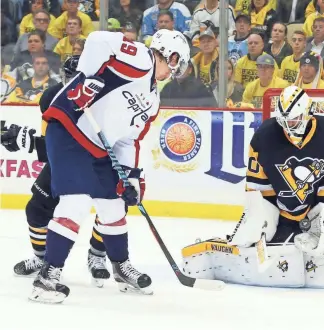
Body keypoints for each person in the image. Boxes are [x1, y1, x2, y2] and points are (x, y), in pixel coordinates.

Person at [29, 29, 191, 304]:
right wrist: (86, 80)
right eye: (177, 65)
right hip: (69, 127)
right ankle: (47, 278)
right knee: (76, 202)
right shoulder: (141, 58)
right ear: (172, 56)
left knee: (114, 205)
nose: (173, 73)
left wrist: (129, 178)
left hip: (98, 144)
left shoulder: (153, 102)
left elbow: (128, 141)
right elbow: (96, 40)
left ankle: (121, 268)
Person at [1, 56, 111, 285]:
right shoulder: (51, 97)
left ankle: (97, 256)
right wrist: (26, 139)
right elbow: (49, 143)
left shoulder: (106, 101)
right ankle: (41, 259)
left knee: (111, 207)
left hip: (98, 160)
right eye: (69, 79)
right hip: (63, 159)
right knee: (36, 210)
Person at [231, 85, 324, 248]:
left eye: (294, 119)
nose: (289, 125)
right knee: (252, 235)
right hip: (282, 216)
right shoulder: (264, 137)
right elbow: (258, 190)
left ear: (307, 113)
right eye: (285, 119)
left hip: (321, 211)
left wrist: (322, 216)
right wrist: (261, 220)